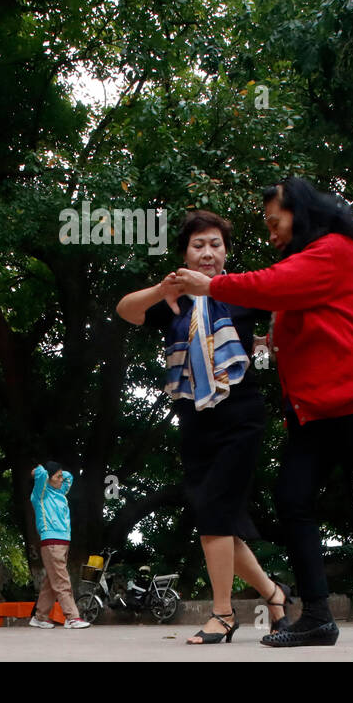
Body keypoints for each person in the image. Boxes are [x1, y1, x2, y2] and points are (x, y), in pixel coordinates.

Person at [170, 178, 353, 646]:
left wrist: (212, 284)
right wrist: (267, 344)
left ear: (299, 212)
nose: (271, 233)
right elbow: (300, 318)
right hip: (312, 413)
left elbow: (274, 286)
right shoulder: (302, 262)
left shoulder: (336, 249)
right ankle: (318, 616)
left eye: (274, 222)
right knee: (292, 499)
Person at [117, 209, 291, 644]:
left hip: (240, 414)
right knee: (219, 521)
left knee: (214, 512)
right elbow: (125, 311)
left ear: (226, 251)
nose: (208, 252)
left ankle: (222, 614)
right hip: (194, 417)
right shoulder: (172, 300)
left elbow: (290, 304)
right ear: (185, 254)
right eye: (198, 245)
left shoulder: (242, 291)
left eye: (215, 244)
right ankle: (274, 593)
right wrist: (163, 287)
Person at [28, 463, 91, 630]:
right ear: (47, 479)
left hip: (63, 542)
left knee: (52, 582)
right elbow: (41, 475)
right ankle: (72, 617)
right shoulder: (40, 495)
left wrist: (58, 472)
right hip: (51, 542)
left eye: (61, 476)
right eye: (57, 477)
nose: (62, 479)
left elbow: (70, 476)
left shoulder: (60, 493)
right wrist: (39, 471)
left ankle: (40, 617)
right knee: (62, 581)